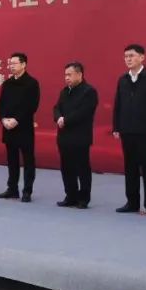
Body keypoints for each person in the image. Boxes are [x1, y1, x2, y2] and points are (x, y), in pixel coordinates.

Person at [112, 44, 146, 216]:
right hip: (127, 130)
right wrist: (116, 126)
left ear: (142, 57)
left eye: (132, 56)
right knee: (130, 168)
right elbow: (118, 105)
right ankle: (132, 202)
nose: (128, 59)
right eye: (126, 56)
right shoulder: (123, 79)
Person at [0, 52, 41, 202]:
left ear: (23, 64)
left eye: (14, 63)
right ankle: (12, 189)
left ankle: (27, 191)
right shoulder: (7, 83)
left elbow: (32, 105)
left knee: (28, 160)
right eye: (10, 64)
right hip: (8, 127)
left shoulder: (32, 83)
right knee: (11, 160)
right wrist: (3, 119)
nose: (11, 66)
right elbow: (1, 104)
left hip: (24, 127)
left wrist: (16, 119)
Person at [54, 62, 99, 209]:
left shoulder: (89, 92)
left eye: (70, 74)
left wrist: (65, 120)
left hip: (80, 137)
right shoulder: (64, 91)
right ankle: (70, 196)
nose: (66, 78)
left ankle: (84, 198)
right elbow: (56, 108)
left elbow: (84, 112)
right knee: (66, 168)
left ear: (79, 74)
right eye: (65, 75)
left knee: (82, 168)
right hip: (64, 136)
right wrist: (58, 117)